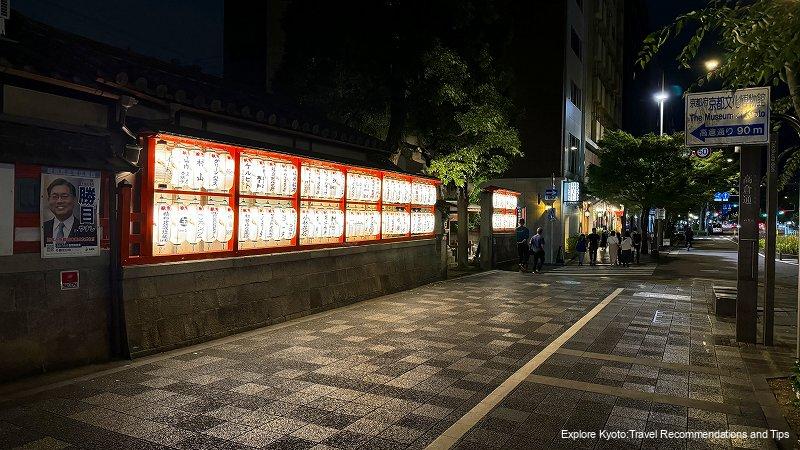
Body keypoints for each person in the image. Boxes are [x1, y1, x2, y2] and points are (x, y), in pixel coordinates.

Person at [42, 178, 96, 245]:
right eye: (55, 197)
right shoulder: (43, 228)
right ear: (48, 200)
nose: (59, 201)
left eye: (64, 196)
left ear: (74, 200)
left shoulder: (88, 230)